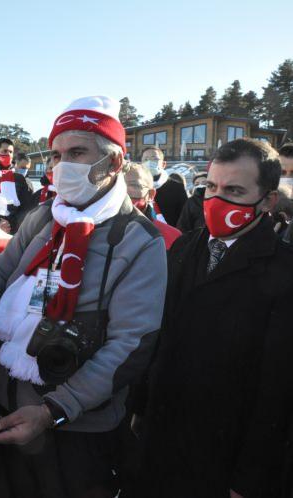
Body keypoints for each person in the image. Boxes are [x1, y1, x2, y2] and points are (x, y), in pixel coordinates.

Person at [0, 96, 167, 498]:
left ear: (112, 164)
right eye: (56, 155)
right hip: (10, 412)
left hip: (75, 429)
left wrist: (52, 411)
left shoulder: (138, 240)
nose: (61, 166)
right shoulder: (43, 217)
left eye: (76, 152)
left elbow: (130, 344)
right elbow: (1, 279)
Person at [138, 138, 293, 498]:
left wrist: (249, 478)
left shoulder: (284, 272)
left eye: (234, 190)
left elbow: (277, 390)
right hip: (159, 441)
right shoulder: (184, 247)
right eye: (211, 186)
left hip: (221, 456)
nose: (217, 199)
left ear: (268, 200)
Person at [125, 162, 181, 249]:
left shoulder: (172, 236)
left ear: (151, 194)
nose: (125, 190)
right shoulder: (97, 231)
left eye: (134, 185)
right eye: (117, 185)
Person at [140, 146, 187, 227]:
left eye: (154, 158)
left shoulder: (176, 187)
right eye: (146, 159)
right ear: (141, 164)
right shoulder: (135, 187)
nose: (149, 162)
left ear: (163, 164)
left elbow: (184, 217)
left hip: (171, 235)